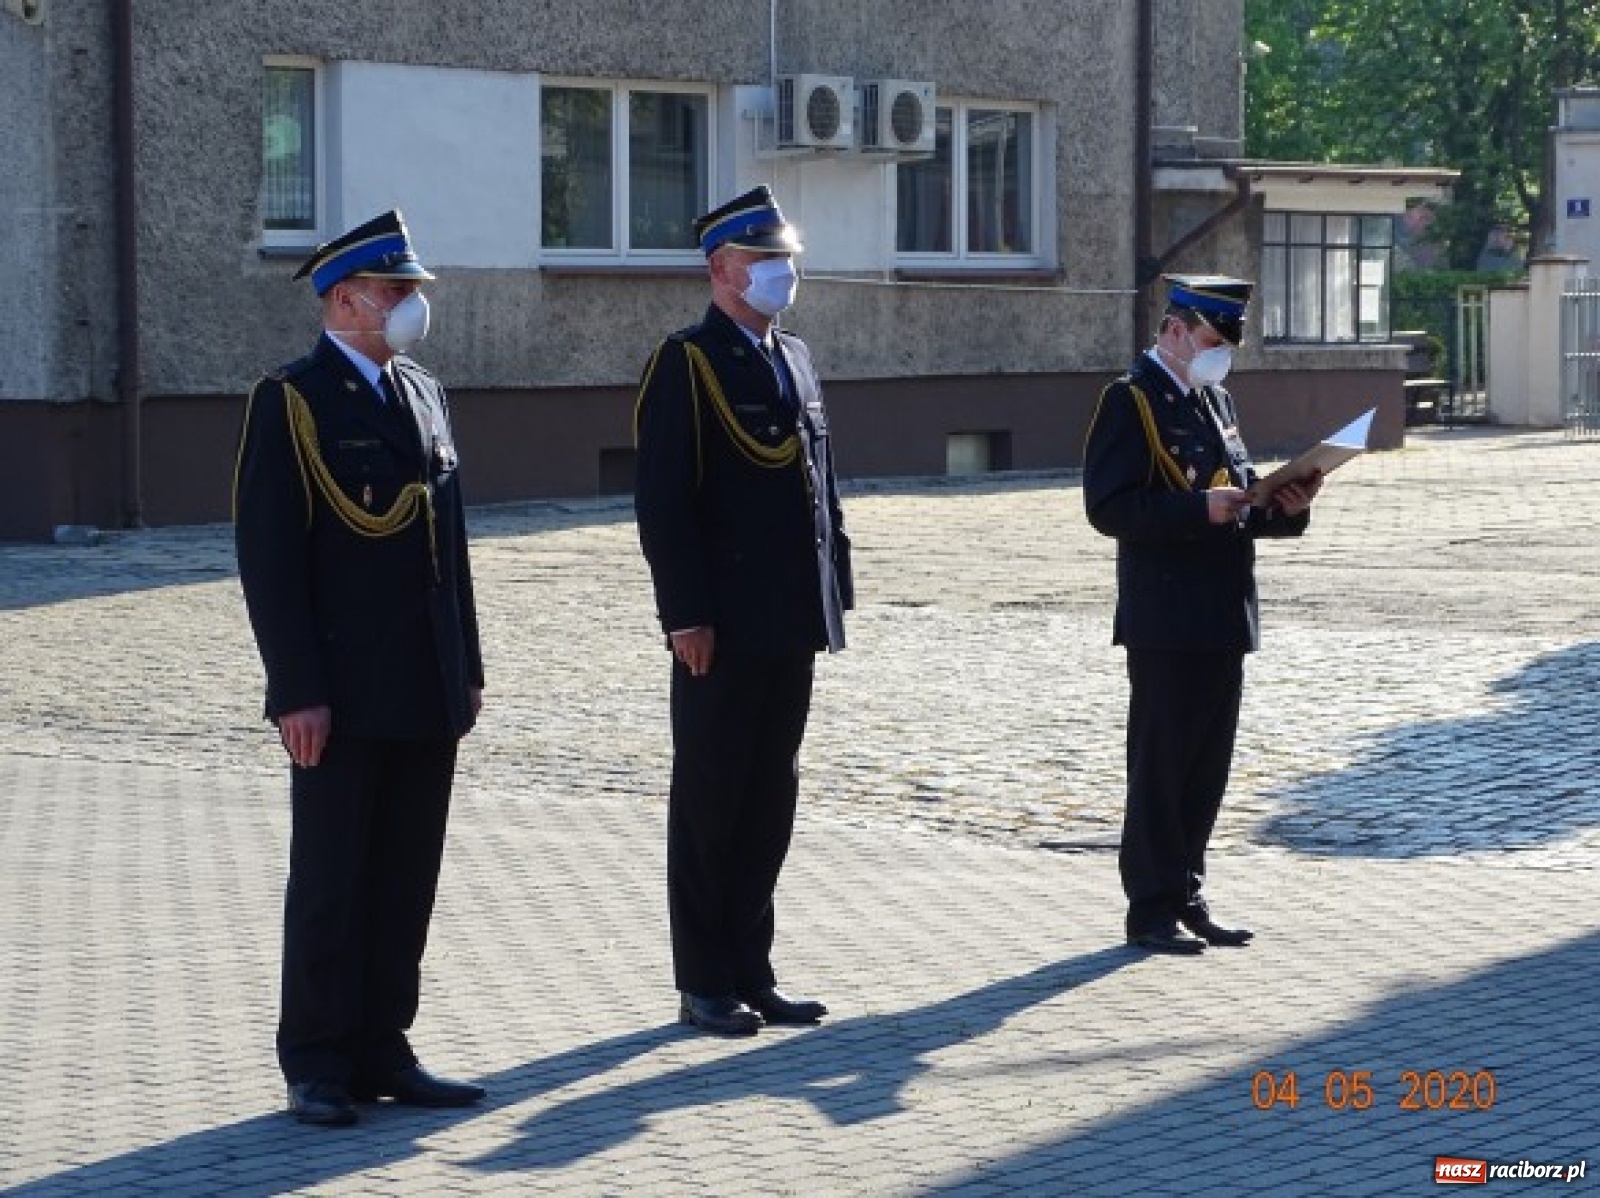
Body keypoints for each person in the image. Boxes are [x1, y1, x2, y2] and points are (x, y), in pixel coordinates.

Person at [234, 210, 487, 1125]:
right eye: (395, 291)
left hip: (424, 680)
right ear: (345, 299)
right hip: (339, 689)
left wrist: (468, 663)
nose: (411, 304)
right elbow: (270, 558)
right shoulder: (293, 401)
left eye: (411, 290)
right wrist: (294, 689)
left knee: (405, 875)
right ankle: (315, 1058)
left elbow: (448, 544)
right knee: (334, 876)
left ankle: (385, 1044)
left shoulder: (423, 393)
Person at [633, 185, 853, 1035]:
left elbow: (820, 485)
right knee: (712, 800)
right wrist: (684, 614)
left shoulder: (792, 356)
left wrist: (837, 586)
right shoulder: (686, 363)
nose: (782, 274)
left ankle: (753, 967)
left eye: (786, 260)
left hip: (792, 617)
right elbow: (665, 503)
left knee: (770, 800)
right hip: (720, 627)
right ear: (722, 269)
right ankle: (704, 978)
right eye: (766, 261)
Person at [1082, 275, 1321, 955]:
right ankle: (1149, 908)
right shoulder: (1130, 401)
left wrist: (1282, 507)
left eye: (1226, 346)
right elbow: (1110, 507)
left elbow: (1236, 500)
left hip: (1222, 610)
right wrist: (1197, 509)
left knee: (1206, 768)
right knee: (1161, 766)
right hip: (1166, 615)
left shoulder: (1214, 399)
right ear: (1175, 330)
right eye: (1212, 341)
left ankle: (1188, 890)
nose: (1220, 356)